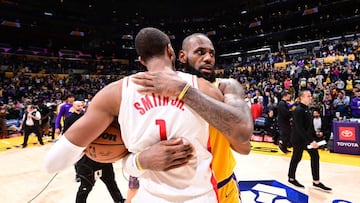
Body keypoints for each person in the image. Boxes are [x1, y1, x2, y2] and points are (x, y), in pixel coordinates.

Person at [44, 27, 238, 202]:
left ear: (141, 60)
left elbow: (53, 163)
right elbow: (241, 140)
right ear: (170, 51)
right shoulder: (204, 88)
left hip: (150, 197)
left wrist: (138, 161)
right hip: (202, 197)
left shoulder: (114, 94)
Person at [127, 32, 253, 202]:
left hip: (223, 187)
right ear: (182, 56)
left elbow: (244, 145)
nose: (208, 58)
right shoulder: (162, 86)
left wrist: (183, 91)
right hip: (174, 192)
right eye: (200, 52)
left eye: (212, 53)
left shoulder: (225, 86)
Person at [62, 101, 124, 203]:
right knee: (86, 186)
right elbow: (70, 139)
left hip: (104, 160)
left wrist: (114, 155)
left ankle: (119, 200)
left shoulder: (108, 124)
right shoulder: (80, 124)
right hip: (87, 161)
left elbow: (114, 141)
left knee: (111, 182)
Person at [287, 89, 332, 192]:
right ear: (301, 98)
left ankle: (316, 181)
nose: (310, 97)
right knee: (296, 158)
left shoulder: (307, 109)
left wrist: (314, 138)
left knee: (315, 156)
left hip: (307, 139)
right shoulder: (298, 110)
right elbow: (299, 128)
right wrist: (311, 141)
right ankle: (291, 178)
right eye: (308, 96)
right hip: (299, 139)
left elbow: (308, 127)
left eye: (310, 96)